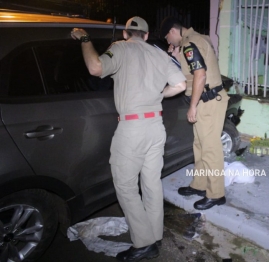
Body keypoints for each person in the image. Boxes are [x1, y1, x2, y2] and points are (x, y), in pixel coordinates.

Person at [71, 16, 186, 261]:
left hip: (132, 128)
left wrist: (84, 39)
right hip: (155, 125)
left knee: (125, 186)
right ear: (145, 35)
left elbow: (95, 67)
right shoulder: (159, 54)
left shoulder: (119, 48)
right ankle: (154, 236)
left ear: (125, 34)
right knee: (152, 184)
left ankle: (143, 243)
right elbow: (180, 85)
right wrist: (158, 94)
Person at [160, 17, 229, 210]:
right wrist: (175, 55)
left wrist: (193, 105)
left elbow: (200, 74)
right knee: (199, 146)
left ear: (173, 32)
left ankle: (216, 194)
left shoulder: (190, 44)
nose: (168, 42)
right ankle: (199, 185)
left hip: (207, 101)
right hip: (207, 99)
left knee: (210, 149)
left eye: (167, 37)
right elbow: (191, 70)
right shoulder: (197, 39)